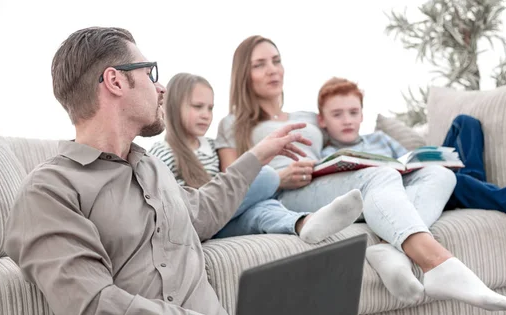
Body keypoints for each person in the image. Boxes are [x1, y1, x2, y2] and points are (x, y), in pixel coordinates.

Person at [0, 27, 344, 315]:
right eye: (150, 73)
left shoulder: (155, 170)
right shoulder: (50, 189)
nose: (161, 89)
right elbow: (94, 311)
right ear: (114, 81)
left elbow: (204, 210)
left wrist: (257, 156)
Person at [215, 35, 506, 311]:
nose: (272, 70)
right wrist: (279, 178)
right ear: (244, 75)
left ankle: (392, 252)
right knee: (379, 177)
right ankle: (439, 264)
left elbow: (348, 143)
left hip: (322, 183)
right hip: (286, 193)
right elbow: (233, 188)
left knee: (440, 175)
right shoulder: (233, 124)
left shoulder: (308, 116)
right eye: (259, 65)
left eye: (276, 61)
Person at [316, 77, 506, 305]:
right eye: (337, 114)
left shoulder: (380, 139)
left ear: (362, 115)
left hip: (425, 185)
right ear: (322, 120)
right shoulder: (327, 156)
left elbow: (406, 161)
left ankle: (473, 187)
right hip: (404, 200)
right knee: (459, 182)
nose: (347, 119)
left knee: (465, 124)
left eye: (353, 112)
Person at [148, 72, 363, 242]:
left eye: (210, 108)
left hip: (225, 221)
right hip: (197, 221)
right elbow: (172, 206)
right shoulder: (163, 153)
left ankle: (305, 223)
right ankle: (288, 195)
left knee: (262, 211)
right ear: (174, 107)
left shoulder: (212, 148)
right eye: (198, 107)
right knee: (267, 176)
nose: (206, 114)